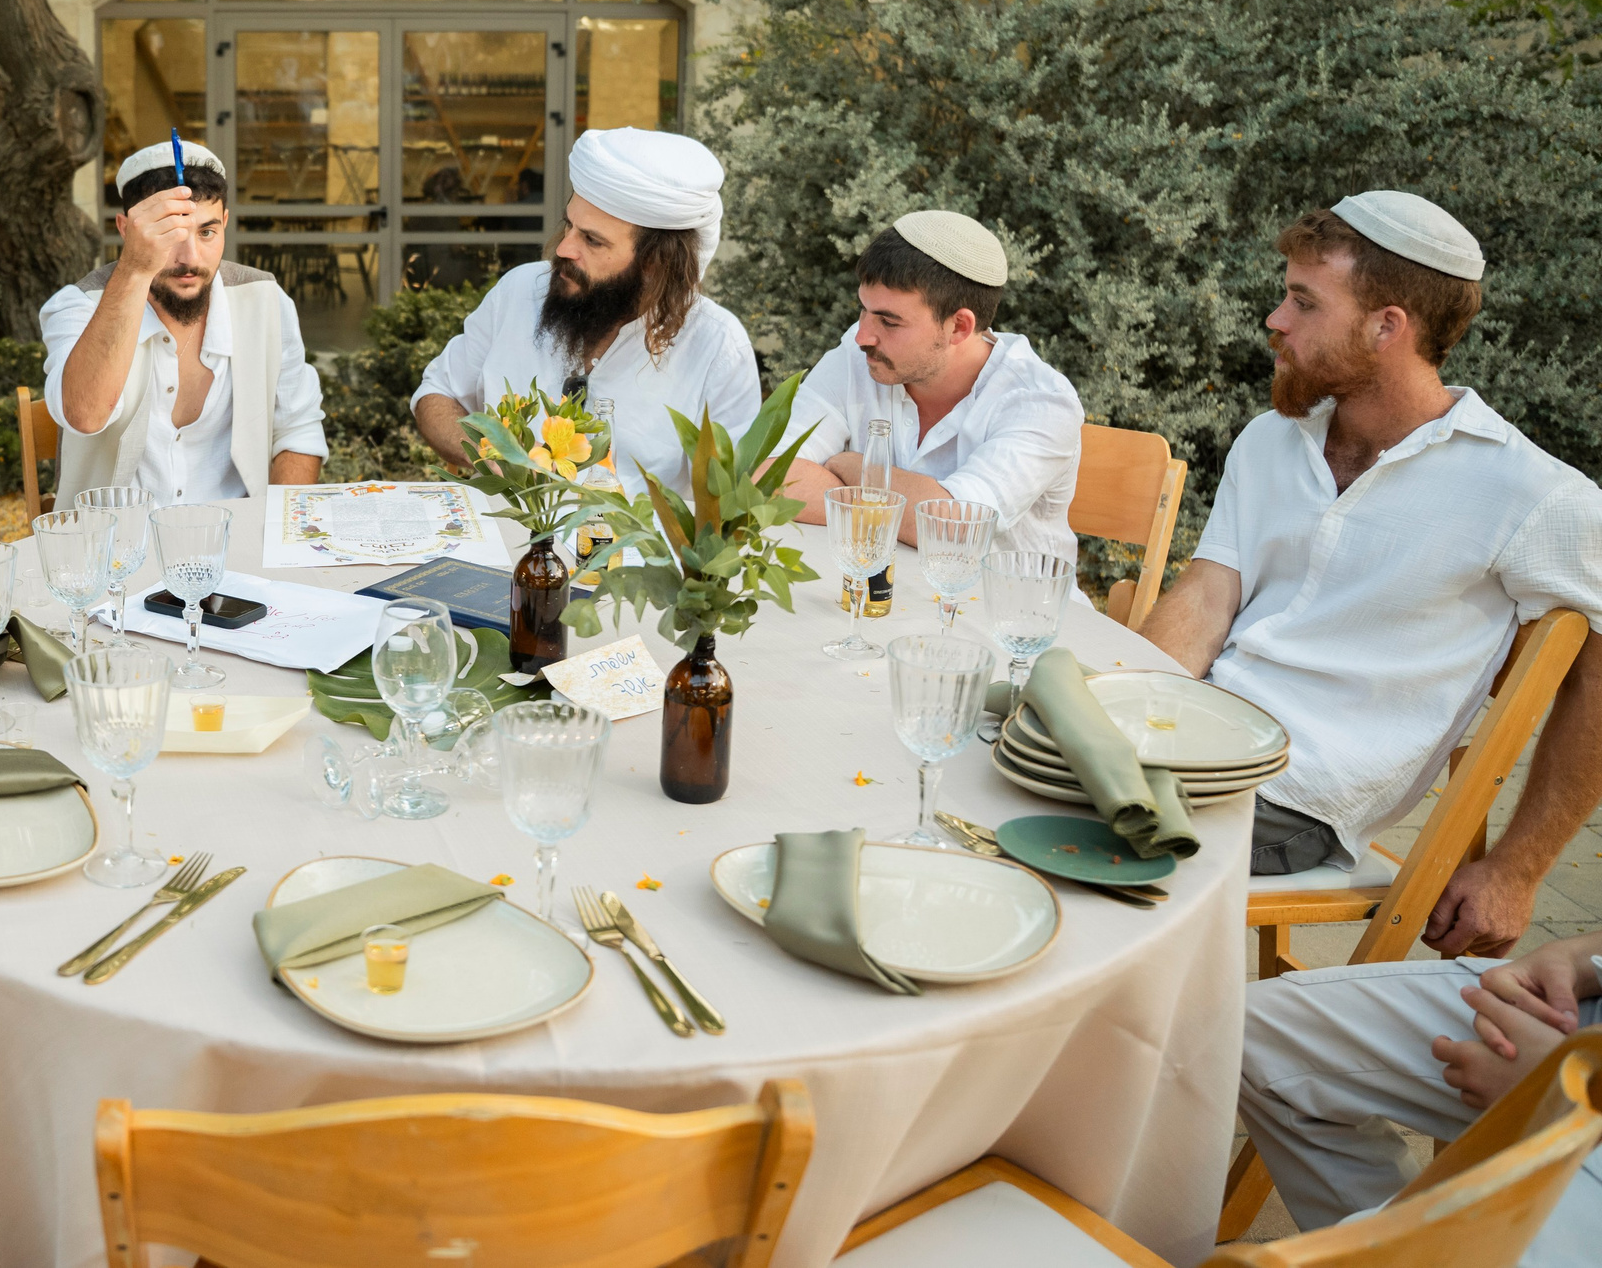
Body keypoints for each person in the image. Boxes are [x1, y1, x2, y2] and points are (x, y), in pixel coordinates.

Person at [1143, 194, 1602, 948]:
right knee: (993, 750)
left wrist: (1517, 871)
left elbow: (1596, 680)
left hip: (1296, 796)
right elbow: (1207, 592)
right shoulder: (1274, 438)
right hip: (1194, 742)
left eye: (1302, 302)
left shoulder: (1531, 495)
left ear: (1387, 326)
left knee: (1059, 827)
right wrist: (1118, 712)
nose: (1275, 320)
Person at [413, 126, 760, 494]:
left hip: (633, 549)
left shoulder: (716, 344)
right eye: (569, 226)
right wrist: (489, 454)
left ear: (655, 263)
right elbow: (437, 395)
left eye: (592, 240)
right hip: (507, 545)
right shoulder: (519, 291)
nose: (564, 249)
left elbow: (732, 499)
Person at [1236, 930, 1601, 1262]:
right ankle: (1378, 1237)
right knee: (1243, 1031)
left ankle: (1388, 1245)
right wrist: (1576, 954)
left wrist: (1560, 1087)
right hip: (1584, 1009)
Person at [780, 211, 1084, 560]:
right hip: (882, 598)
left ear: (959, 327)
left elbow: (952, 529)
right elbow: (770, 474)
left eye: (890, 322)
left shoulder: (1040, 404)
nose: (863, 335)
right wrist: (903, 506)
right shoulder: (859, 352)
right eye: (864, 310)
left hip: (1007, 609)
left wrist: (853, 467)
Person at [40, 141, 326, 503]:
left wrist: (272, 534)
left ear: (224, 222)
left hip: (234, 544)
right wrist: (133, 270)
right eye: (168, 236)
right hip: (112, 548)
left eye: (206, 232)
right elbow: (85, 414)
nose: (190, 258)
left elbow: (297, 431)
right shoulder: (79, 306)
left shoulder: (266, 301)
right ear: (126, 230)